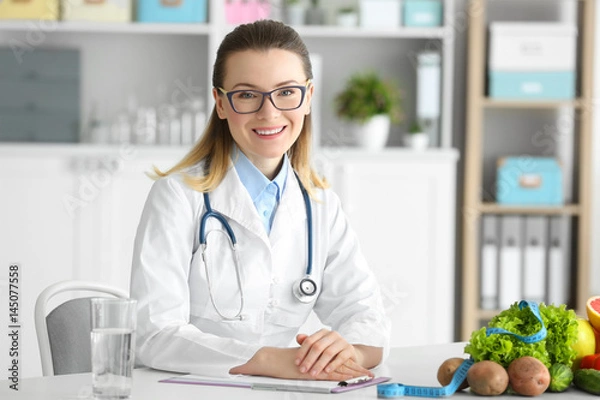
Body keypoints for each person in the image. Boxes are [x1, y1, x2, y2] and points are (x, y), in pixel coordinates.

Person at [130, 19, 391, 380]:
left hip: (287, 388)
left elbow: (367, 317)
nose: (269, 113)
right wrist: (269, 360)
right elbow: (154, 335)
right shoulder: (178, 197)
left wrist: (347, 349)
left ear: (309, 97)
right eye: (247, 95)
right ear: (221, 103)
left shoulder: (320, 205)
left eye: (286, 92)